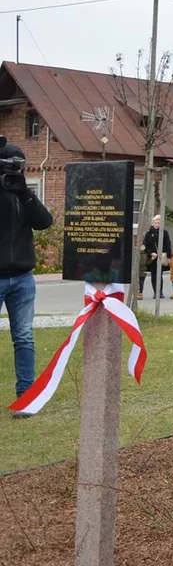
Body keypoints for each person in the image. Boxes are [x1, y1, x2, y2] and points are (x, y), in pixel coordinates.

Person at [0, 137, 53, 418]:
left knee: (24, 338)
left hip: (22, 277)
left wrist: (24, 193)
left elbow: (44, 222)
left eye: (18, 166)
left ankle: (27, 396)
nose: (14, 171)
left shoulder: (22, 193)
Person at [141, 215, 172, 299]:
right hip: (152, 258)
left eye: (159, 223)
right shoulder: (148, 234)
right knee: (154, 275)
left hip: (161, 256)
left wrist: (169, 256)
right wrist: (151, 253)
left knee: (159, 275)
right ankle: (155, 292)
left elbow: (168, 244)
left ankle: (160, 292)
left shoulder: (164, 233)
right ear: (153, 223)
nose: (157, 224)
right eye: (156, 223)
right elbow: (146, 246)